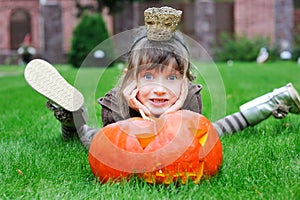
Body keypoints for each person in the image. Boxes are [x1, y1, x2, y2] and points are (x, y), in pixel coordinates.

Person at [24, 6, 300, 151]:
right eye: (147, 76)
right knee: (91, 139)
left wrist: (171, 114)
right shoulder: (117, 105)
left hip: (176, 125)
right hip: (124, 127)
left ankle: (275, 99)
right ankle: (72, 114)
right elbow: (129, 152)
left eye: (172, 78)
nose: (160, 88)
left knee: (216, 130)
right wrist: (140, 116)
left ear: (186, 81)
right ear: (129, 80)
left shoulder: (189, 98)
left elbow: (186, 143)